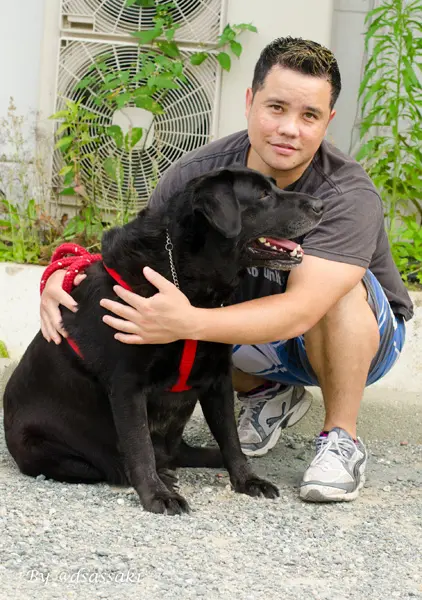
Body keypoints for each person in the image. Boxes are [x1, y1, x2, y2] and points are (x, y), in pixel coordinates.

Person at [41, 37, 414, 503]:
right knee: (185, 288)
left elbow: (301, 309)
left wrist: (187, 322)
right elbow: (144, 259)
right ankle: (266, 391)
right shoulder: (199, 175)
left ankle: (340, 437)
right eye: (275, 107)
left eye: (309, 116)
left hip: (356, 337)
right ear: (249, 101)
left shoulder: (345, 195)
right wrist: (64, 271)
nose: (289, 129)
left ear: (327, 122)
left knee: (336, 294)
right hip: (247, 329)